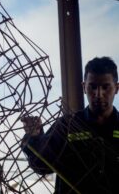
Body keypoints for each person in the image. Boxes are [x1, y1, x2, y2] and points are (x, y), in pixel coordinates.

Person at [21, 56, 119, 194]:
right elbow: (41, 166)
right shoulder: (66, 125)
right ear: (84, 87)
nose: (98, 94)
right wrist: (34, 137)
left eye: (105, 87)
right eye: (93, 86)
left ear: (117, 88)